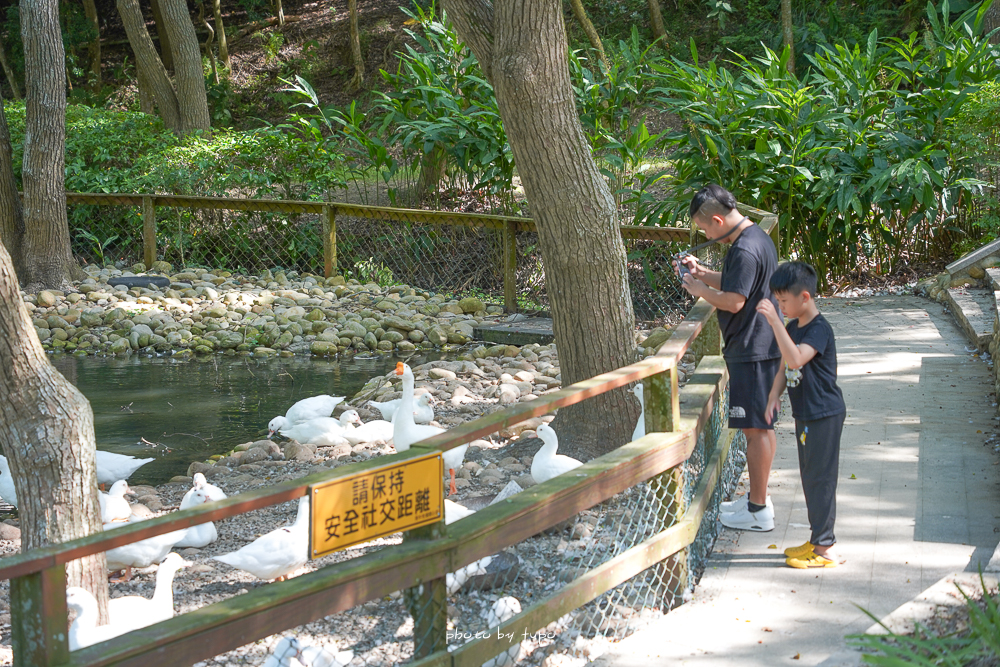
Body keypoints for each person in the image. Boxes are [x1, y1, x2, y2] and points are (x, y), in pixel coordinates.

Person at [676, 184, 780, 532]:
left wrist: (700, 290)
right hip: (763, 346)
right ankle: (758, 499)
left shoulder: (744, 249)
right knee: (762, 428)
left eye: (705, 228)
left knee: (756, 431)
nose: (705, 234)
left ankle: (758, 511)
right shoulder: (755, 238)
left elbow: (735, 301)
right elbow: (741, 284)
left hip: (753, 349)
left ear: (718, 219)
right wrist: (704, 273)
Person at [757, 261, 846, 569]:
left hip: (825, 413)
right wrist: (773, 396)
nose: (779, 306)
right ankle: (817, 538)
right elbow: (784, 366)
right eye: (777, 302)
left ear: (804, 297)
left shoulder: (819, 329)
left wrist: (775, 323)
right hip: (805, 413)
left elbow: (796, 359)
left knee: (821, 479)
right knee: (810, 477)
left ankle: (826, 549)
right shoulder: (794, 326)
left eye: (783, 301)